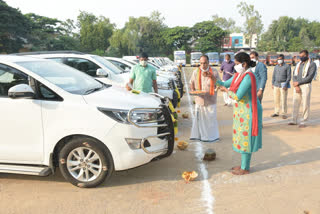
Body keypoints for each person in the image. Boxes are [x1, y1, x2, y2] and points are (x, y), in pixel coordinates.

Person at [216, 52, 262, 175]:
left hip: (249, 111)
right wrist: (212, 76)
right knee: (241, 138)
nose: (234, 66)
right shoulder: (238, 75)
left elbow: (237, 96)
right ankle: (243, 165)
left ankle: (245, 168)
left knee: (246, 138)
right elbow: (225, 83)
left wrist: (226, 91)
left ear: (244, 64)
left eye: (236, 64)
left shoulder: (248, 76)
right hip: (241, 112)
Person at [190, 55, 221, 143]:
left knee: (211, 119)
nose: (203, 65)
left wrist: (211, 77)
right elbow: (191, 83)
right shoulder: (196, 71)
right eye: (201, 63)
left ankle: (212, 137)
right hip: (199, 99)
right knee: (200, 119)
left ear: (208, 63)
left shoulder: (214, 71)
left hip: (210, 100)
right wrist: (192, 90)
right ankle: (201, 136)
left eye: (205, 63)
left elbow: (219, 83)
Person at [289, 50, 317, 128]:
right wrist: (296, 84)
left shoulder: (312, 64)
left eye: (303, 56)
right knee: (295, 102)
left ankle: (304, 121)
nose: (301, 57)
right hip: (297, 86)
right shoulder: (298, 64)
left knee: (305, 103)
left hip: (306, 85)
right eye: (300, 56)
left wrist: (299, 83)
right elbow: (294, 74)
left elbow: (310, 77)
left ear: (307, 55)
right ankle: (294, 120)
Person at [271, 54, 291, 119]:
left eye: (281, 59)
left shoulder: (287, 66)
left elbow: (289, 76)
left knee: (283, 99)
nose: (279, 60)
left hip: (283, 85)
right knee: (276, 99)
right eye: (278, 59)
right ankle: (276, 112)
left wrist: (286, 84)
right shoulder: (276, 67)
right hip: (276, 85)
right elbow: (274, 75)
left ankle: (284, 113)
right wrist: (272, 83)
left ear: (283, 59)